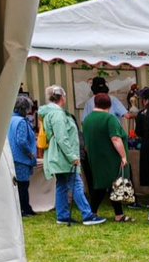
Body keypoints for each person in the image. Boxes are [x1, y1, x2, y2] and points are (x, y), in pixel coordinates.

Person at [39, 86, 105, 226]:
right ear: (62, 97)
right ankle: (87, 215)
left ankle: (62, 215)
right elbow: (62, 138)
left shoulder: (50, 113)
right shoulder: (58, 114)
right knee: (76, 184)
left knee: (62, 185)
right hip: (63, 156)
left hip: (58, 155)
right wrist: (72, 156)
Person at [81, 92, 131, 221]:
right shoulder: (109, 119)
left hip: (95, 157)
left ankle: (97, 212)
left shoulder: (87, 120)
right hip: (110, 157)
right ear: (109, 105)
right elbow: (115, 139)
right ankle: (115, 214)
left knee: (102, 185)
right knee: (114, 185)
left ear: (95, 104)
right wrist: (123, 156)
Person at [8, 94, 37, 217]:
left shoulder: (10, 119)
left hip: (12, 156)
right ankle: (25, 209)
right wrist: (30, 154)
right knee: (23, 185)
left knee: (18, 185)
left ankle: (24, 208)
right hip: (21, 158)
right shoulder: (21, 122)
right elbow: (22, 141)